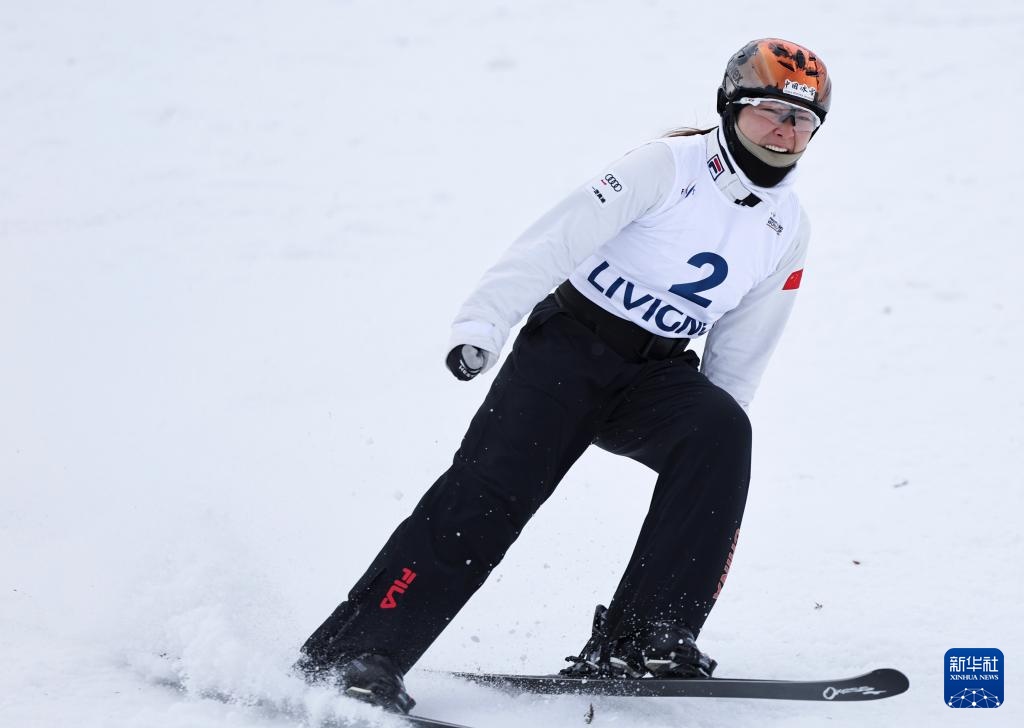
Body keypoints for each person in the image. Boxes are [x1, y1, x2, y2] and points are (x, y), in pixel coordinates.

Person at [296, 38, 833, 714]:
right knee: (488, 497)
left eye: (801, 121)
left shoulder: (788, 225)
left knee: (723, 430)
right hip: (567, 352)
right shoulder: (665, 166)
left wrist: (708, 440)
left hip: (656, 373)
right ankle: (356, 652)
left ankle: (643, 638)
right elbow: (555, 240)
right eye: (767, 112)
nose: (783, 131)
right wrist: (483, 326)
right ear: (729, 106)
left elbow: (748, 339)